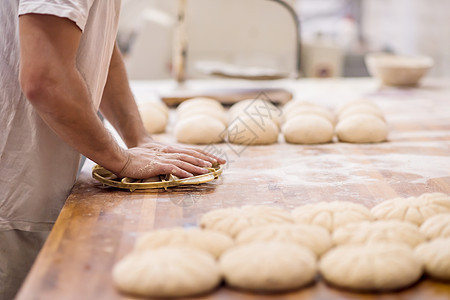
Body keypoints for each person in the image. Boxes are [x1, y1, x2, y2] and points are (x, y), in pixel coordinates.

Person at [0, 1, 225, 298]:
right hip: (13, 201)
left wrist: (139, 139)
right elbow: (45, 77)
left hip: (35, 189)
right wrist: (121, 158)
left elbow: (99, 47)